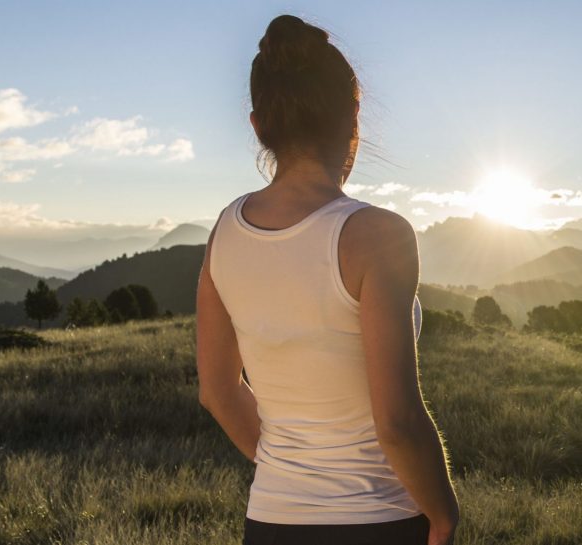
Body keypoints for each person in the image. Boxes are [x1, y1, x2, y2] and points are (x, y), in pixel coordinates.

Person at [195, 14, 459, 545]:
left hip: (270, 521)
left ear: (257, 125)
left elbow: (219, 392)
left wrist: (291, 468)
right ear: (353, 119)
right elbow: (398, 420)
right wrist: (445, 515)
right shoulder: (378, 235)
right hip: (379, 523)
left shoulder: (225, 232)